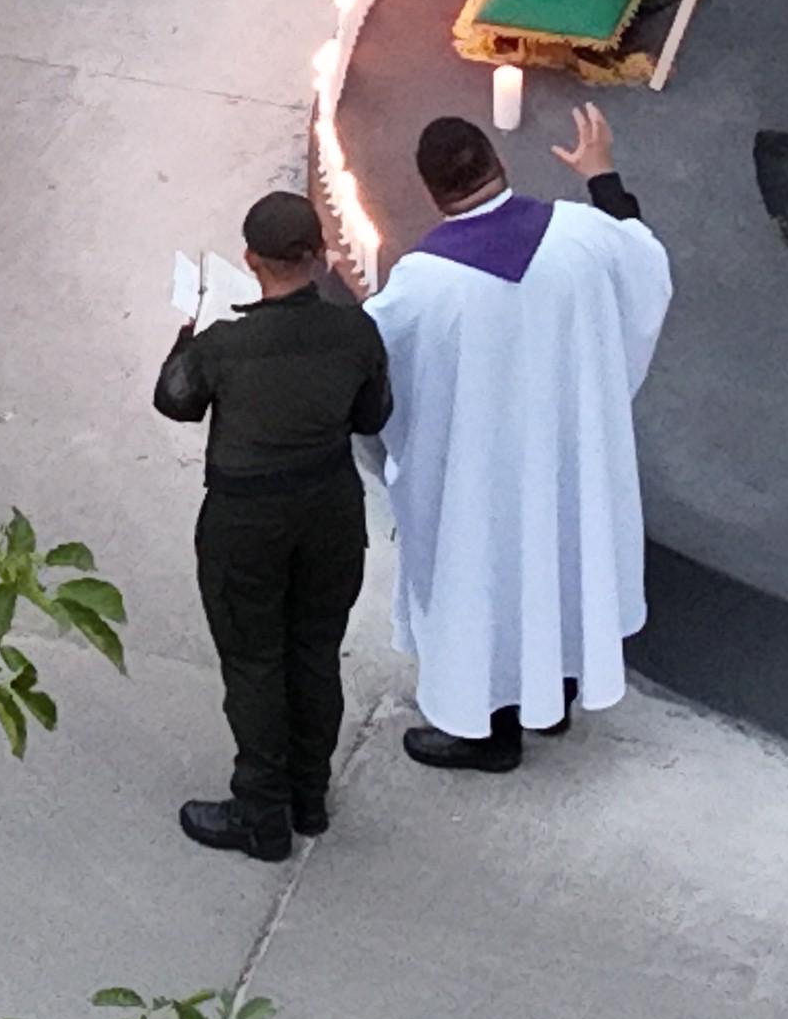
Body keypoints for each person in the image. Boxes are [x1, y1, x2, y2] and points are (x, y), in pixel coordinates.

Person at [363, 105, 670, 772]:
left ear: (432, 193)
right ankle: (552, 698)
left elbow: (368, 367)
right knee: (555, 560)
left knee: (486, 578)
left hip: (480, 471)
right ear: (500, 165)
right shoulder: (583, 234)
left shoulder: (422, 283)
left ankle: (486, 732)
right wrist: (602, 175)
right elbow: (646, 266)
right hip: (564, 454)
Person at [152, 188, 387, 857]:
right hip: (329, 513)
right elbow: (373, 416)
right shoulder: (355, 331)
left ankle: (261, 811)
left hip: (245, 520)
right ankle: (309, 795)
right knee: (315, 648)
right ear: (318, 255)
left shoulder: (227, 344)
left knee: (255, 660)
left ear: (251, 260)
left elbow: (174, 400)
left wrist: (189, 330)